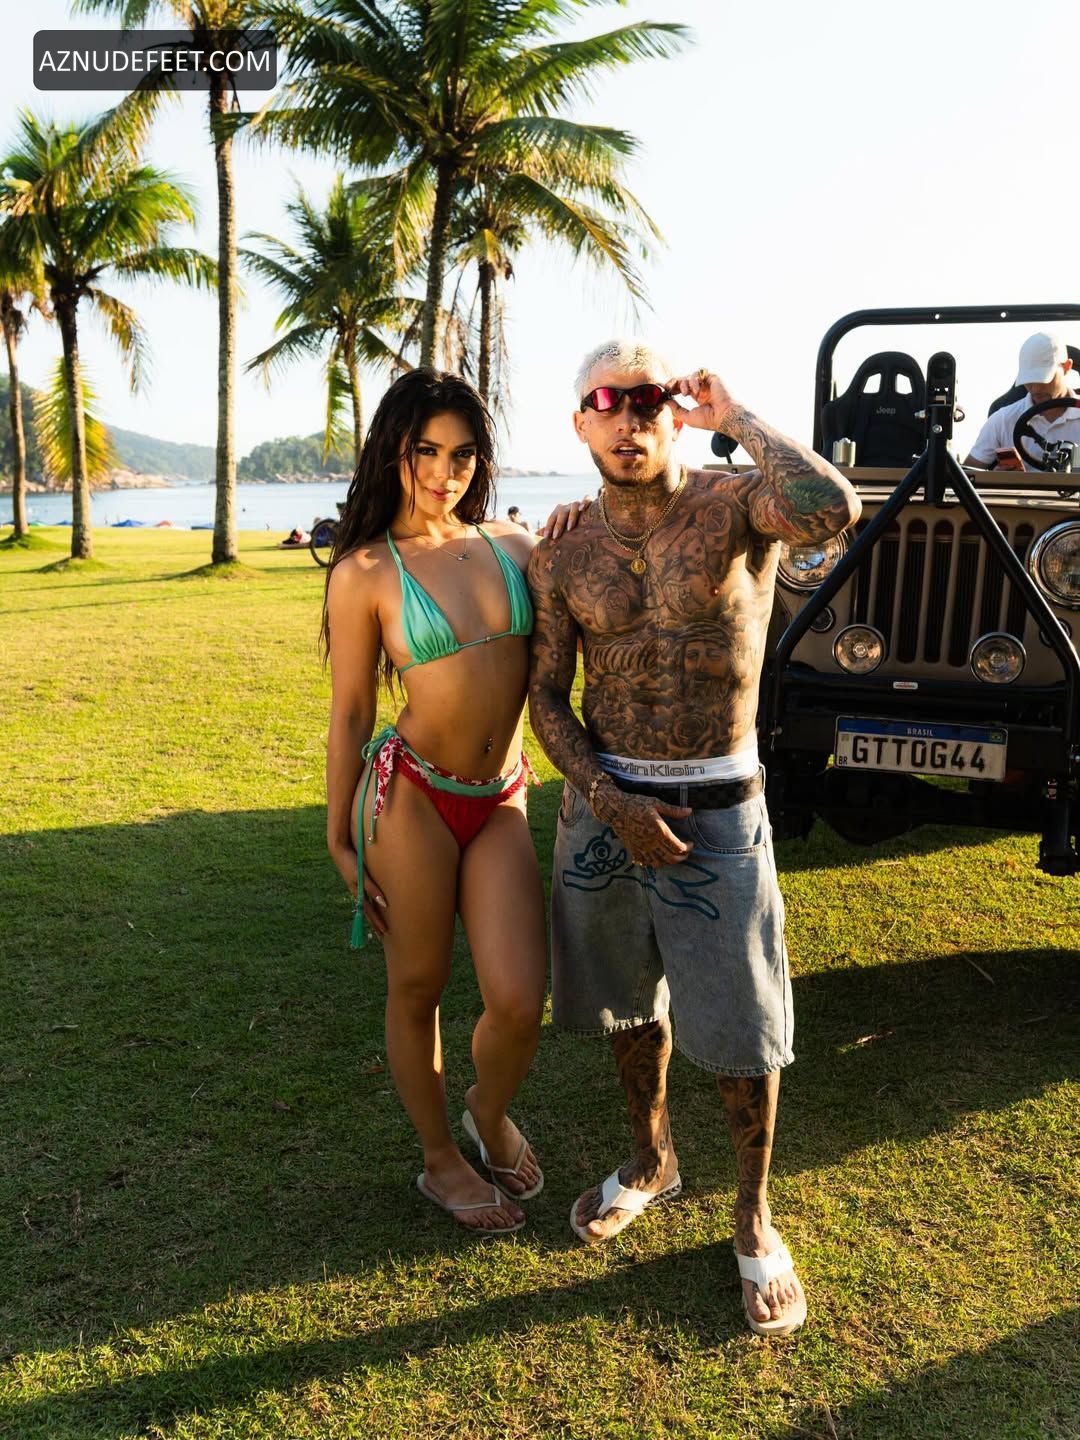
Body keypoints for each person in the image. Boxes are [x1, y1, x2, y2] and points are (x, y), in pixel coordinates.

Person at [528, 339, 861, 1336]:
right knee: (629, 1003)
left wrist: (737, 415)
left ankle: (754, 1216)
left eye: (647, 400)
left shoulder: (735, 505)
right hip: (607, 808)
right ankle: (651, 1160)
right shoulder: (561, 549)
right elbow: (547, 696)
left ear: (673, 413)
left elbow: (833, 509)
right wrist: (607, 798)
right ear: (580, 424)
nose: (628, 419)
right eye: (606, 403)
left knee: (743, 1024)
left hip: (717, 807)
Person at [323, 368, 547, 1235]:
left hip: (499, 799)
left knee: (518, 1000)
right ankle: (440, 1159)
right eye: (426, 451)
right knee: (417, 983)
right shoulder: (366, 571)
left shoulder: (514, 544)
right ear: (395, 450)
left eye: (461, 455)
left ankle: (485, 1112)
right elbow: (351, 713)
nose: (444, 473)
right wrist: (338, 835)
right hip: (409, 797)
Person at [964, 332, 1080, 470]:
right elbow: (966, 475)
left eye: (1043, 379)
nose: (1035, 388)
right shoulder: (1002, 420)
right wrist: (995, 477)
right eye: (1029, 380)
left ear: (1067, 367)